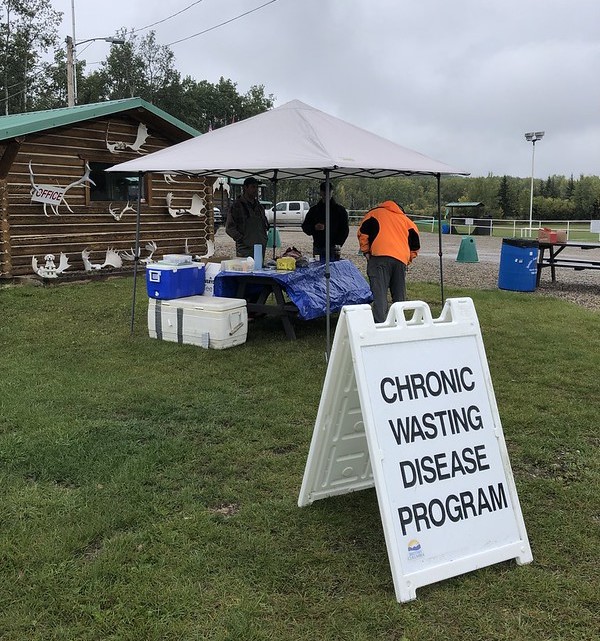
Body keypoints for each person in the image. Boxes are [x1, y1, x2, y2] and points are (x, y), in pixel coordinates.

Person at [357, 201, 420, 323]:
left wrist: (366, 251)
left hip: (379, 257)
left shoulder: (374, 213)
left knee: (379, 294)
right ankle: (399, 323)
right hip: (400, 260)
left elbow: (363, 233)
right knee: (399, 294)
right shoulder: (407, 221)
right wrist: (407, 260)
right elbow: (415, 246)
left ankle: (380, 324)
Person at [301, 182, 349, 259]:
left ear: (332, 192)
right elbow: (305, 226)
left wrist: (338, 244)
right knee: (317, 269)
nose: (326, 194)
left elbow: (345, 229)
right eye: (324, 191)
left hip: (333, 248)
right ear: (321, 192)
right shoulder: (314, 210)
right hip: (318, 247)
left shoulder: (340, 210)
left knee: (333, 269)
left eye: (328, 191)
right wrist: (314, 227)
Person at [225, 177, 269, 258]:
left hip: (260, 248)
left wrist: (264, 239)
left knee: (259, 269)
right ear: (245, 188)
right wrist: (242, 240)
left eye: (257, 187)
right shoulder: (237, 206)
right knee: (246, 269)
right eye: (253, 187)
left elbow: (264, 225)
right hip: (245, 250)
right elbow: (229, 228)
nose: (255, 190)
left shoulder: (259, 207)